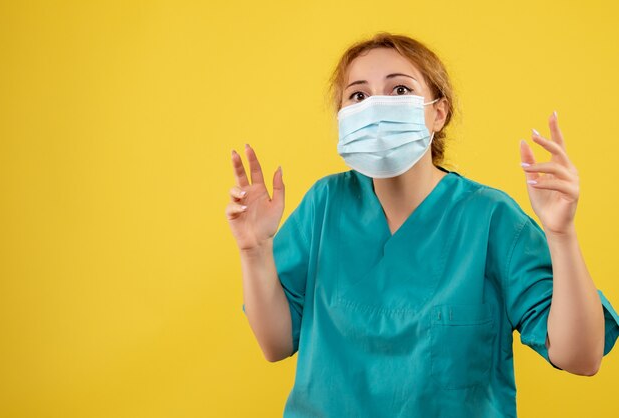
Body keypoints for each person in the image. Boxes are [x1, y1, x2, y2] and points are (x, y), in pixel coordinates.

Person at [225, 32, 619, 417]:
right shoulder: (325, 205)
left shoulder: (490, 218)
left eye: (399, 90)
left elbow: (580, 358)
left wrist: (561, 233)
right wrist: (254, 250)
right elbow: (275, 345)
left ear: (438, 112)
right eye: (359, 95)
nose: (377, 106)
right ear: (343, 117)